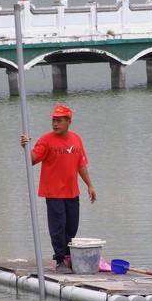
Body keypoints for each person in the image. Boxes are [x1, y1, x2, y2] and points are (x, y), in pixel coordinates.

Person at [20, 105, 96, 273]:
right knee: (58, 226)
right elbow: (32, 159)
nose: (55, 124)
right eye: (53, 120)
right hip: (54, 192)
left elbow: (81, 164)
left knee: (72, 226)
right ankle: (59, 259)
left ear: (69, 122)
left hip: (72, 191)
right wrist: (26, 147)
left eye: (59, 120)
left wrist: (89, 185)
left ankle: (69, 257)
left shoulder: (76, 139)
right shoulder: (46, 140)